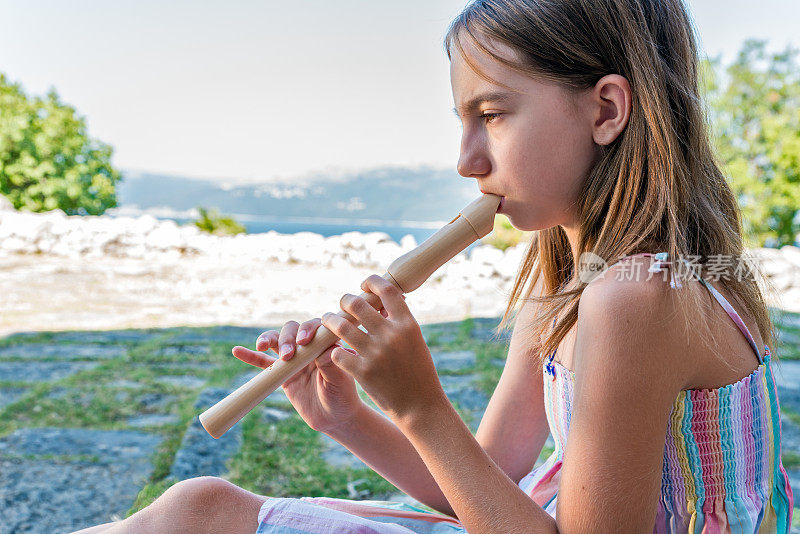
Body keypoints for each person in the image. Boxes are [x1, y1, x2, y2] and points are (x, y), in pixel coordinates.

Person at [74, 0, 795, 532]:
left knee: (200, 513)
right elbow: (474, 484)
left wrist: (420, 403)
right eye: (463, 120)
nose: (466, 160)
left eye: (493, 115)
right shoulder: (575, 281)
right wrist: (350, 416)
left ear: (605, 109)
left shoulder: (636, 297)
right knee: (192, 509)